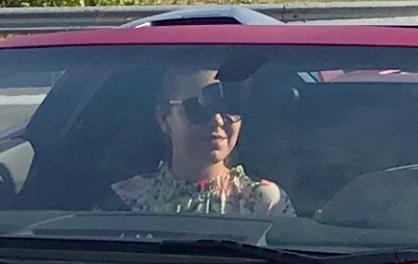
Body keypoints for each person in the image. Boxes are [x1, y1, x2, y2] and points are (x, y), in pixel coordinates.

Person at [110, 66, 291, 216]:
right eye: (199, 107)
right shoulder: (126, 201)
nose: (218, 120)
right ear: (165, 119)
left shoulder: (265, 202)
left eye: (231, 105)